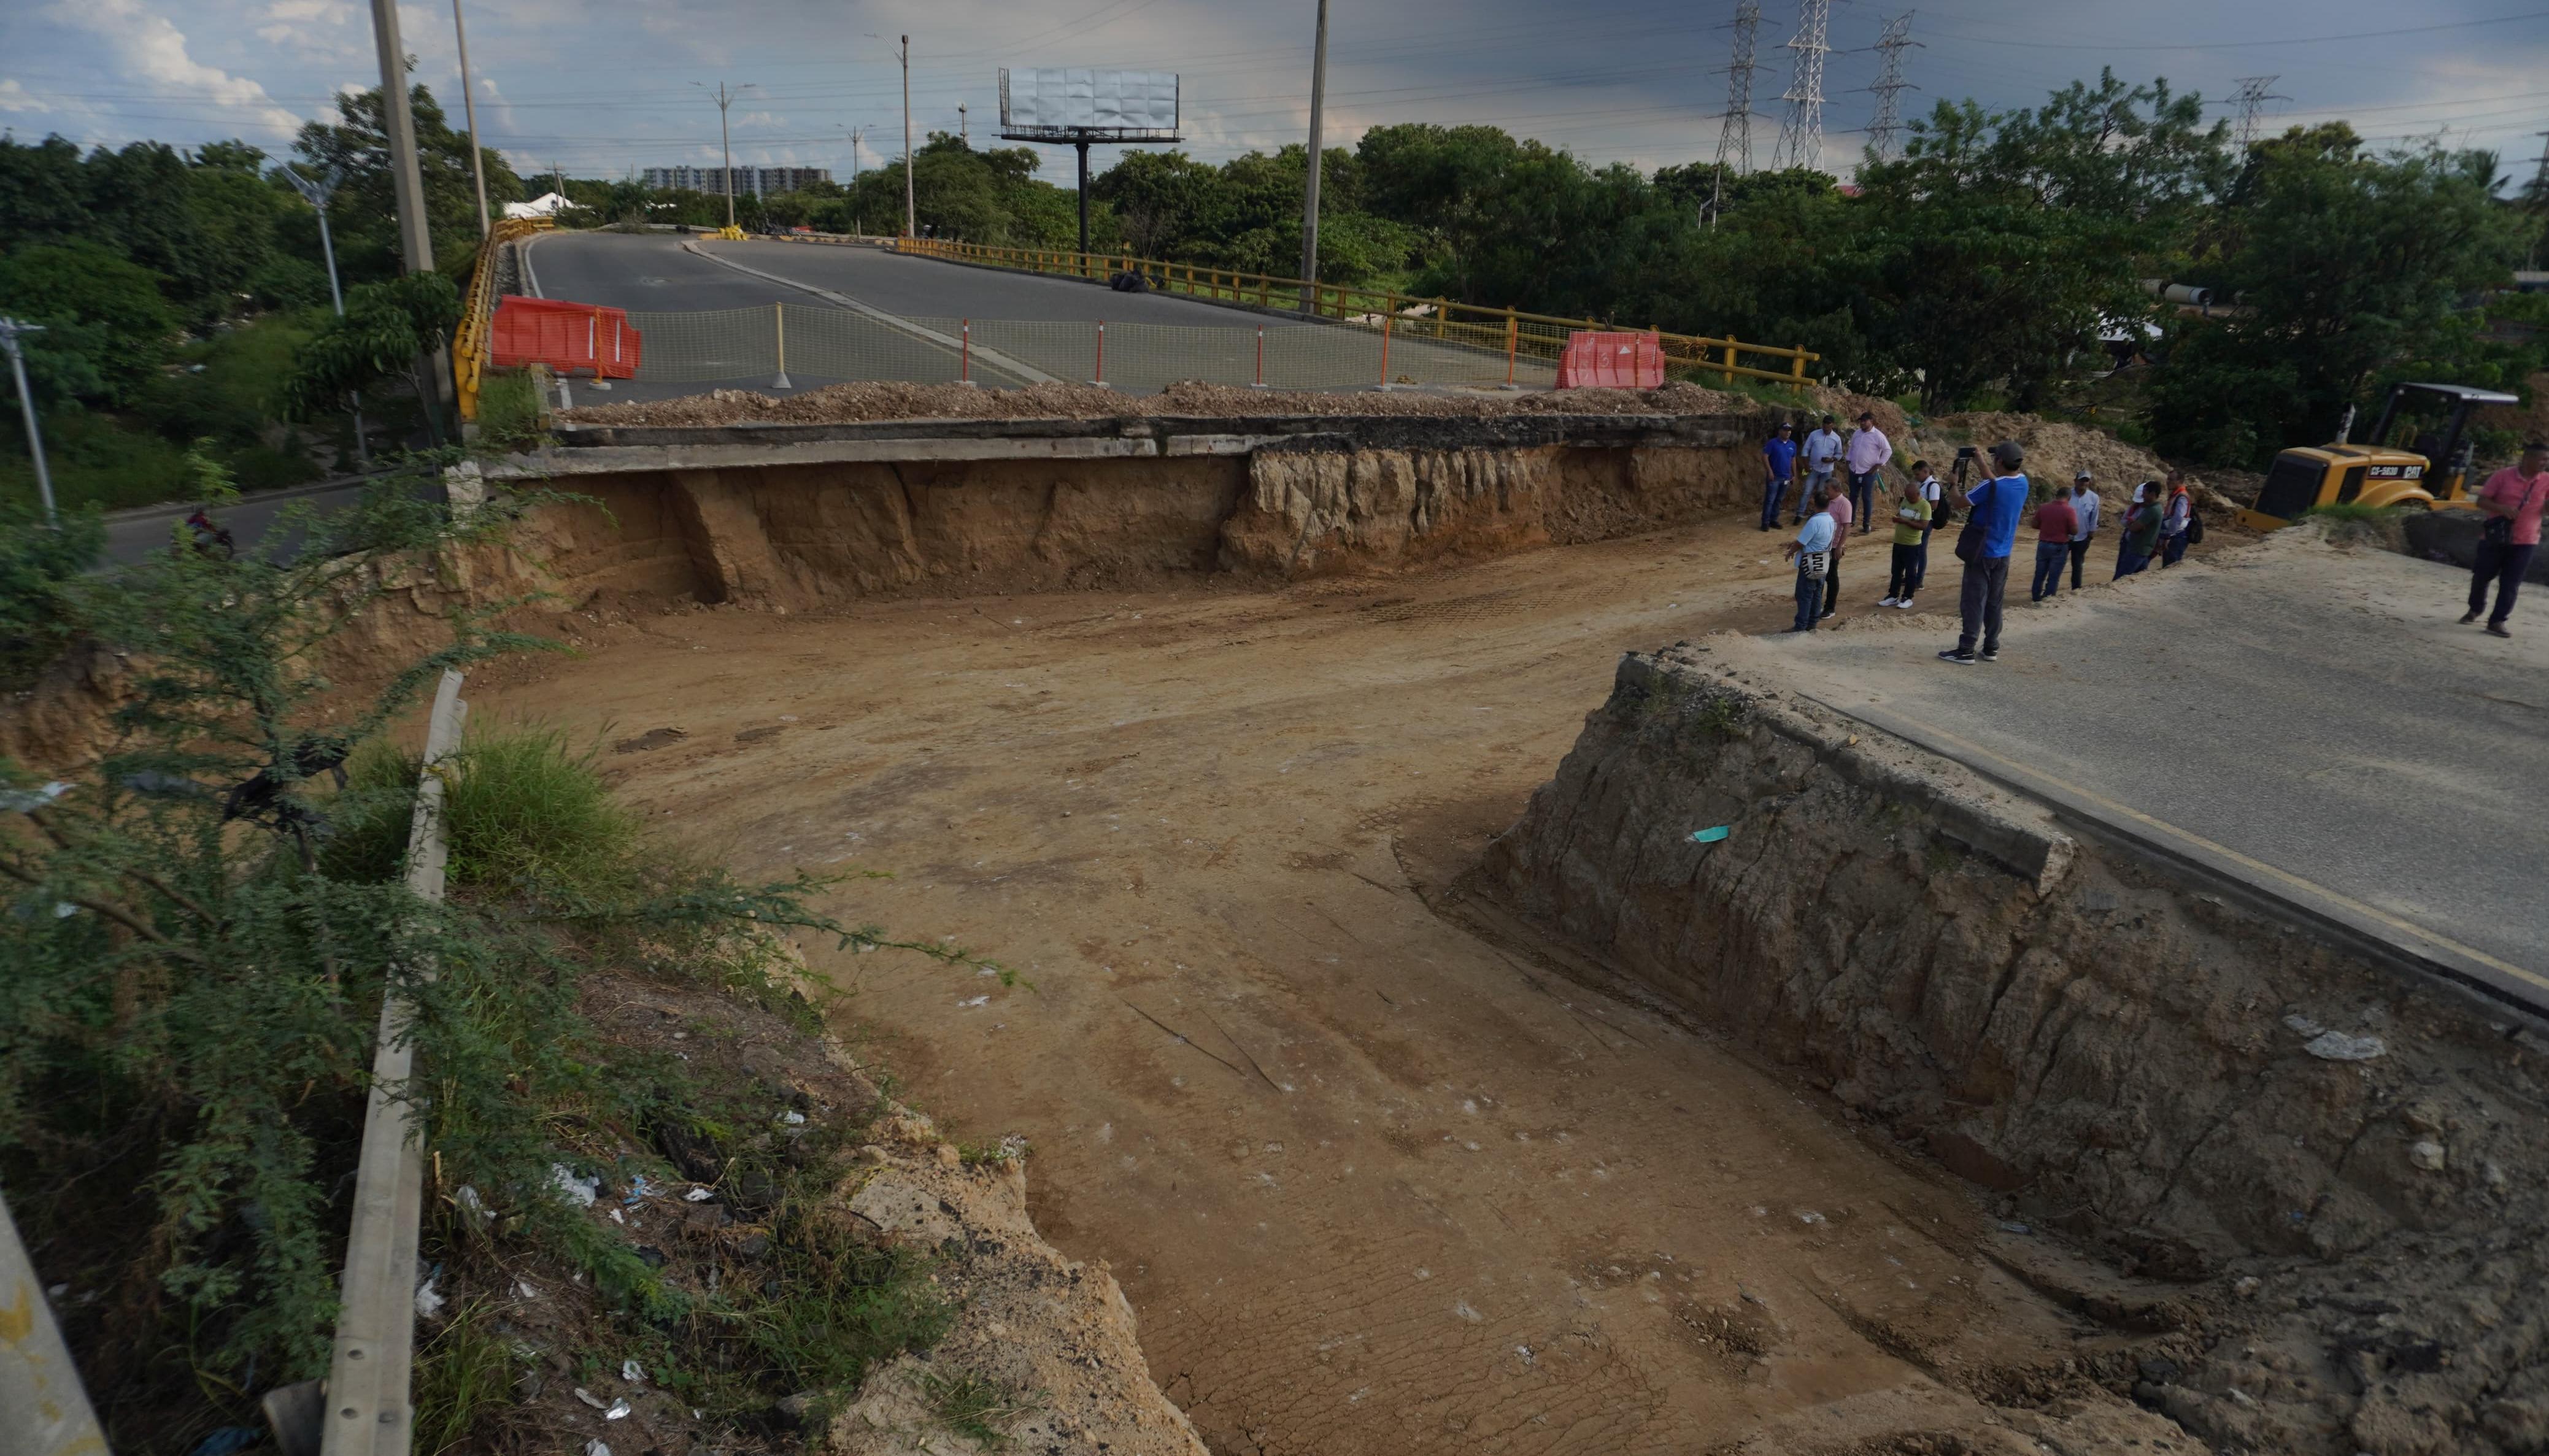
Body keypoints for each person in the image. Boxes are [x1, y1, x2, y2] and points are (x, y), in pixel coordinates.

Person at [1938, 440, 2029, 665]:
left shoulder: (1990, 487)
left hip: (1982, 552)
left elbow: (1958, 503)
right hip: (2003, 553)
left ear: (1999, 461)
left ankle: (1966, 648)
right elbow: (1996, 481)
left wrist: (1953, 484)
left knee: (1973, 601)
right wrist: (1979, 462)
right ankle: (1991, 647)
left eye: (1993, 459)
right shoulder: (2022, 482)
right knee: (1994, 601)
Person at [2464, 441, 2549, 637]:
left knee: (2511, 583)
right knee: (2482, 576)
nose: (2545, 463)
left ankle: (2497, 621)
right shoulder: (2502, 476)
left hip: (2526, 540)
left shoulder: (2546, 480)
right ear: (2527, 458)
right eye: (2542, 459)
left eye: (2547, 460)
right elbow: (2481, 501)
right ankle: (2475, 608)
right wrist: (2502, 509)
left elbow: (2545, 510)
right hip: (2496, 538)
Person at [1783, 487, 1837, 632]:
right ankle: (1812, 623)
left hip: (1810, 561)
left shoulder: (1815, 521)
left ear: (1815, 504)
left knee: (1804, 594)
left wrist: (1791, 551)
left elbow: (1802, 542)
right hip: (1823, 560)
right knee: (1816, 594)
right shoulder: (1831, 521)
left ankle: (1801, 625)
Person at [1880, 473, 1933, 609]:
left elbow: (1923, 526)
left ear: (1918, 494)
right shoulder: (1905, 501)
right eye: (1907, 497)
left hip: (1912, 545)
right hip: (1898, 542)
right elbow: (1901, 513)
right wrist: (1897, 518)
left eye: (1910, 497)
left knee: (1910, 573)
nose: (1908, 499)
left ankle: (1908, 597)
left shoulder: (1925, 506)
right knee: (1896, 572)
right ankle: (1893, 595)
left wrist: (1904, 521)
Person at [1845, 410, 1894, 531]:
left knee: (1866, 497)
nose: (1861, 423)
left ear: (1871, 422)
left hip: (1868, 472)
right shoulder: (1857, 433)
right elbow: (1852, 447)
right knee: (1853, 496)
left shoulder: (1878, 435)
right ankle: (1851, 520)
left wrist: (1877, 466)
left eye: (1864, 421)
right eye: (1861, 421)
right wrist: (1848, 459)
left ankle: (1866, 524)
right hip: (1854, 470)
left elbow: (1888, 451)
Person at [2030, 483, 2079, 601]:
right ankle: (2048, 598)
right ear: (2069, 497)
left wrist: (2046, 527)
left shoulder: (2044, 507)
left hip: (2043, 544)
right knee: (2054, 576)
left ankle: (2036, 597)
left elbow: (2034, 524)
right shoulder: (2069, 510)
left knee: (2039, 574)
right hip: (2059, 545)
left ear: (2056, 495)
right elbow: (2074, 531)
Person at [1909, 460, 1943, 599]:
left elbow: (1934, 505)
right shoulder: (1922, 484)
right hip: (1920, 519)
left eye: (1918, 474)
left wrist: (1918, 505)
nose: (1916, 477)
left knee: (1921, 550)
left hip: (1927, 522)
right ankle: (1914, 576)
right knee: (1916, 549)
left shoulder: (1933, 485)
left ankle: (1919, 580)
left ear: (1925, 471)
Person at [1821, 480, 1854, 618]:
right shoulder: (1828, 501)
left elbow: (1847, 526)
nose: (1825, 491)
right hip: (1823, 544)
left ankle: (1830, 608)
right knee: (1822, 575)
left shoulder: (1844, 503)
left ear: (1836, 489)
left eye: (1827, 489)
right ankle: (1819, 605)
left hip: (1833, 546)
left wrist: (1840, 547)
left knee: (1831, 577)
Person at [2115, 484, 2163, 577]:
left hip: (2138, 549)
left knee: (2120, 578)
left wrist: (2131, 524)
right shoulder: (2156, 508)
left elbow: (2134, 528)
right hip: (2142, 549)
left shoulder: (2151, 511)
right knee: (2138, 578)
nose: (2142, 496)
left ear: (2152, 494)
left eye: (2144, 493)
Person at [1801, 415, 1843, 522]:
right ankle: (1799, 514)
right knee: (1807, 490)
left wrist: (1831, 459)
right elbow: (1805, 450)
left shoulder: (1836, 438)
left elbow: (1839, 454)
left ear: (1833, 425)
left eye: (1829, 424)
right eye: (1824, 423)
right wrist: (1806, 466)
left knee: (1821, 493)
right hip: (1813, 468)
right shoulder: (1814, 434)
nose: (1826, 425)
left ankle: (1816, 514)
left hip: (1827, 470)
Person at [2067, 471, 2102, 590]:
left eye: (2086, 480)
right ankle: (2050, 591)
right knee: (2058, 564)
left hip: (2082, 537)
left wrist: (2090, 536)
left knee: (2077, 565)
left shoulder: (2094, 498)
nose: (2084, 483)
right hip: (2065, 537)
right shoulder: (2068, 495)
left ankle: (2076, 591)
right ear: (2075, 481)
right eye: (2081, 480)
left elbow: (2094, 517)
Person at [1759, 422, 1797, 530]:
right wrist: (1770, 471)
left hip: (1786, 477)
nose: (1788, 432)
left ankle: (1774, 520)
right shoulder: (1773, 443)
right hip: (1775, 477)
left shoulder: (1792, 445)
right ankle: (1765, 522)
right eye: (1785, 430)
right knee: (1770, 499)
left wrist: (1794, 475)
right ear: (1780, 431)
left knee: (1779, 499)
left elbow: (1793, 460)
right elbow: (1765, 456)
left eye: (1789, 430)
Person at [2159, 474, 2194, 566]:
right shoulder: (2176, 495)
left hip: (2176, 537)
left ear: (2180, 481)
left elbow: (2178, 518)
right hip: (2173, 536)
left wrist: (2168, 536)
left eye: (2171, 480)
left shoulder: (2181, 497)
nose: (2168, 482)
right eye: (2168, 479)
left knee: (2170, 566)